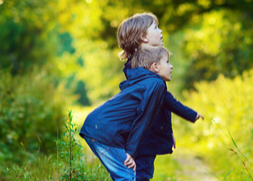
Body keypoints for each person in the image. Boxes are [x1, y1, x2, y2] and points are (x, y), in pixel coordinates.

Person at [117, 13, 204, 180]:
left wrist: (167, 130)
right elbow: (166, 100)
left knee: (140, 173)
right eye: (156, 28)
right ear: (143, 37)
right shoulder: (146, 73)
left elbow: (161, 103)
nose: (161, 31)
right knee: (141, 174)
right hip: (141, 138)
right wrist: (190, 114)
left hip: (142, 136)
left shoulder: (139, 68)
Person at [80, 46, 174, 181]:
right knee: (127, 177)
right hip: (104, 130)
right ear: (155, 66)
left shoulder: (145, 82)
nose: (171, 66)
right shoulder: (156, 83)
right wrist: (131, 152)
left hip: (95, 127)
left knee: (126, 175)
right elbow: (143, 119)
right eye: (167, 62)